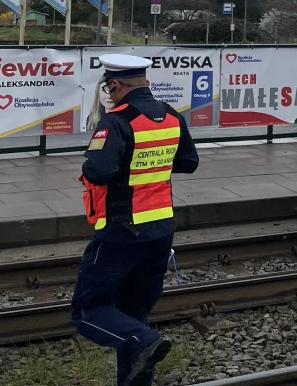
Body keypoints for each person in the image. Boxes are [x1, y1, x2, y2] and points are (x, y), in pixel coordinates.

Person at [71, 54, 199, 386]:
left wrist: (88, 167)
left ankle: (146, 341)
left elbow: (99, 170)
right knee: (133, 316)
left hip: (121, 232)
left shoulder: (116, 120)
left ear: (115, 85)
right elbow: (188, 161)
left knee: (89, 310)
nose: (108, 94)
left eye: (108, 88)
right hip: (160, 232)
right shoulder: (170, 116)